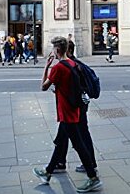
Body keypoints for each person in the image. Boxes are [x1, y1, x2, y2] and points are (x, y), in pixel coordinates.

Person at [33, 36, 102, 192]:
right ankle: (48, 172)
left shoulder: (58, 68)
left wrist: (46, 67)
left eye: (53, 49)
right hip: (74, 109)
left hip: (66, 112)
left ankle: (93, 177)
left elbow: (43, 87)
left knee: (78, 144)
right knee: (60, 143)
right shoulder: (73, 64)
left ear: (57, 50)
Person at [51, 37, 98, 175]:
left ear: (68, 50)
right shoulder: (74, 64)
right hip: (75, 105)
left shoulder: (73, 65)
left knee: (77, 135)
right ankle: (59, 163)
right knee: (64, 136)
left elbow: (76, 87)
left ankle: (89, 166)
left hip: (74, 107)